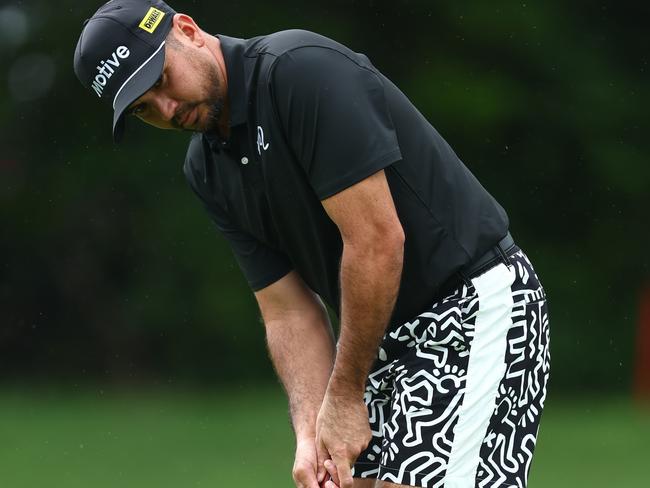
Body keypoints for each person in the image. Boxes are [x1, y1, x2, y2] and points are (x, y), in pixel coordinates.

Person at [74, 1, 551, 487]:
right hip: (377, 343)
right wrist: (311, 431)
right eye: (144, 108)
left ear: (188, 31)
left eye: (161, 79)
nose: (167, 109)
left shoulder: (298, 72)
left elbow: (376, 240)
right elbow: (288, 311)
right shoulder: (206, 171)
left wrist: (343, 397)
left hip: (471, 309)